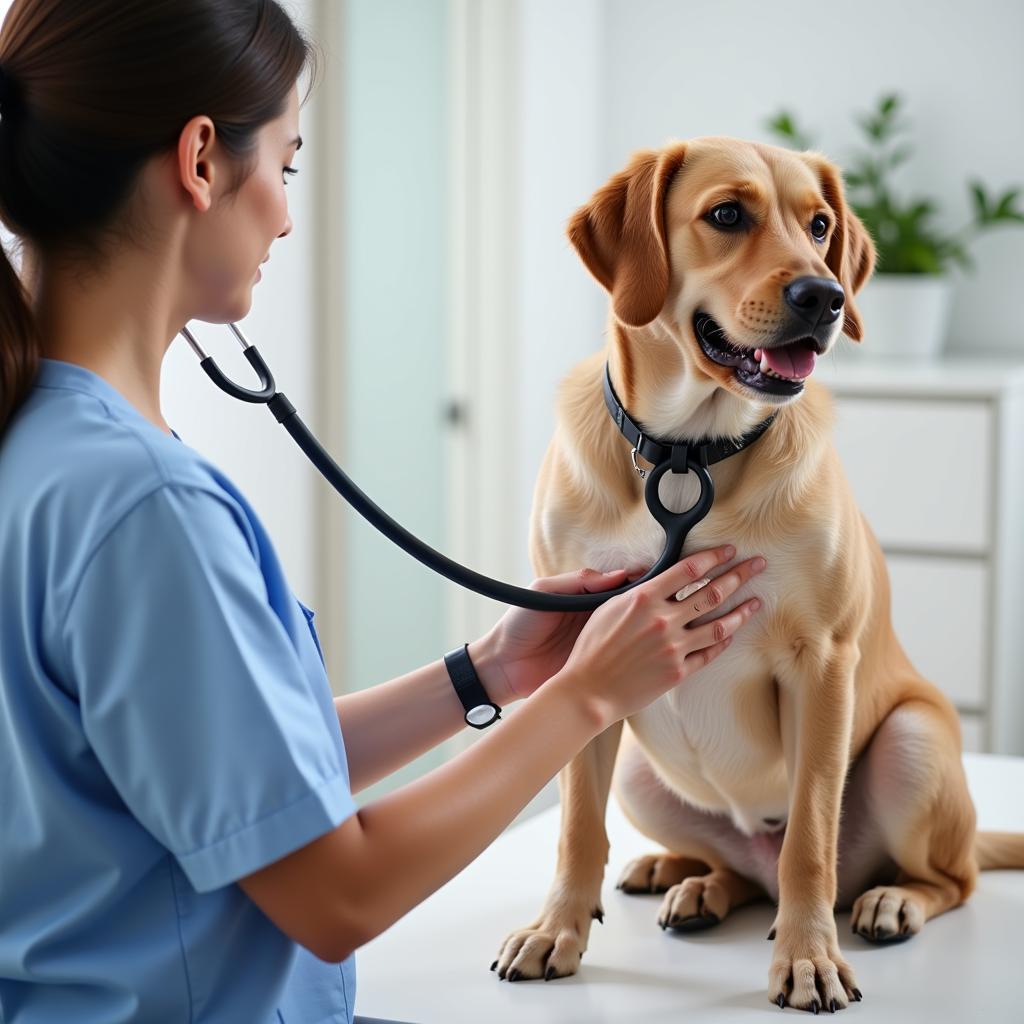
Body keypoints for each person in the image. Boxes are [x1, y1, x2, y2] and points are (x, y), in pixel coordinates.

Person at [0, 2, 766, 1021]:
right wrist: (586, 698)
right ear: (198, 159)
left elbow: (232, 779)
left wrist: (484, 673)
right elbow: (336, 889)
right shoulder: (146, 506)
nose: (281, 213)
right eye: (288, 164)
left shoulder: (42, 445)